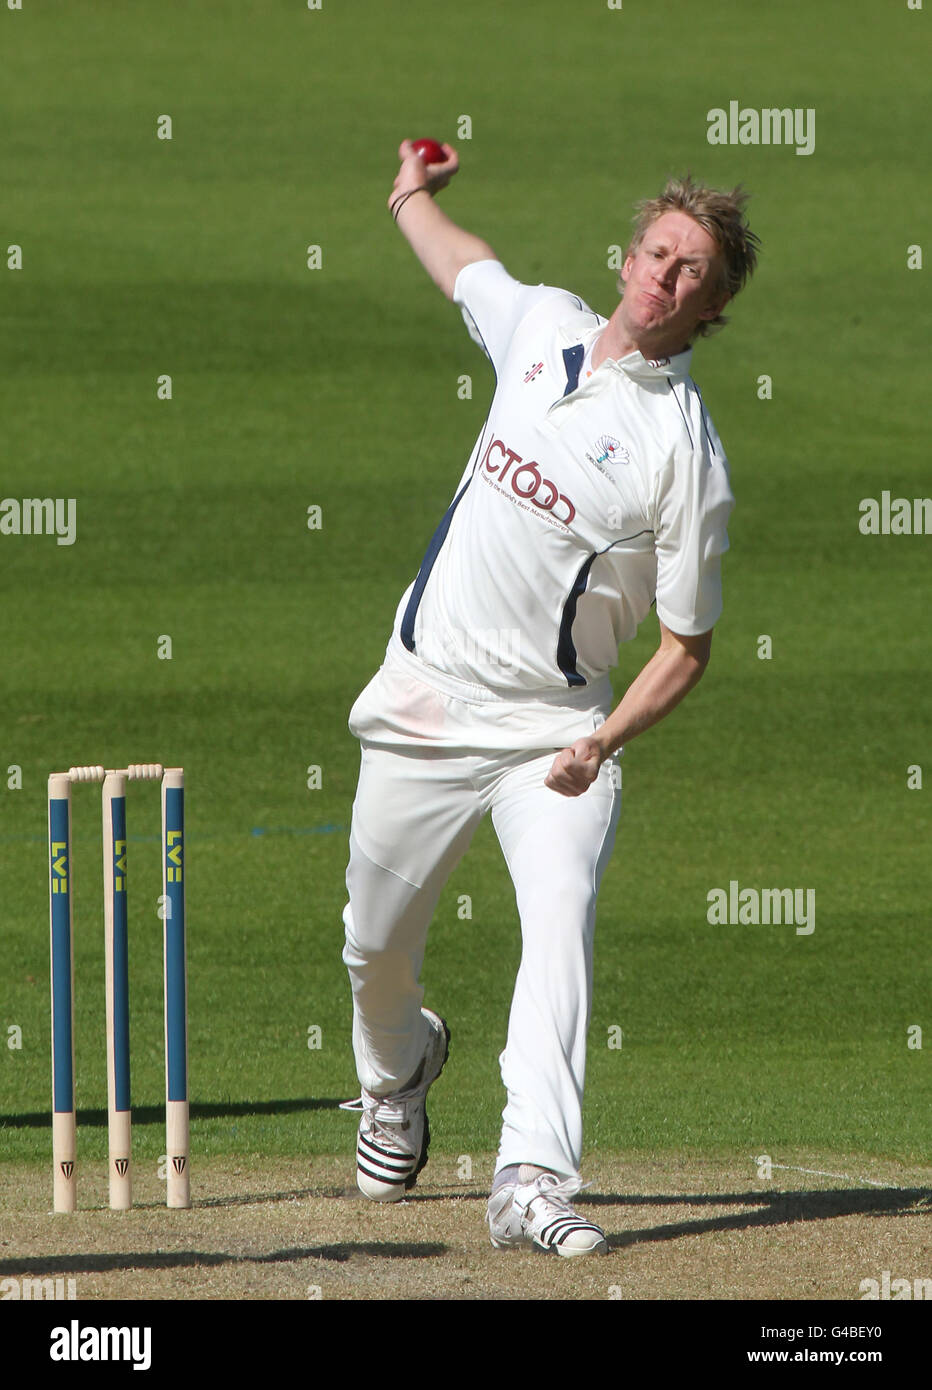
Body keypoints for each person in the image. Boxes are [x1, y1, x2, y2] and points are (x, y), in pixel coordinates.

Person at [340, 140, 759, 1257]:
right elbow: (462, 264)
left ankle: (530, 1174)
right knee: (372, 951)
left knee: (558, 922)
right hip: (424, 699)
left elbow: (686, 646)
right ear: (628, 254)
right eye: (660, 253)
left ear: (709, 308)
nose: (667, 277)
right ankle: (398, 1070)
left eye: (693, 274)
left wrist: (603, 740)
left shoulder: (684, 455)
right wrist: (409, 195)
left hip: (555, 732)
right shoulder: (542, 325)